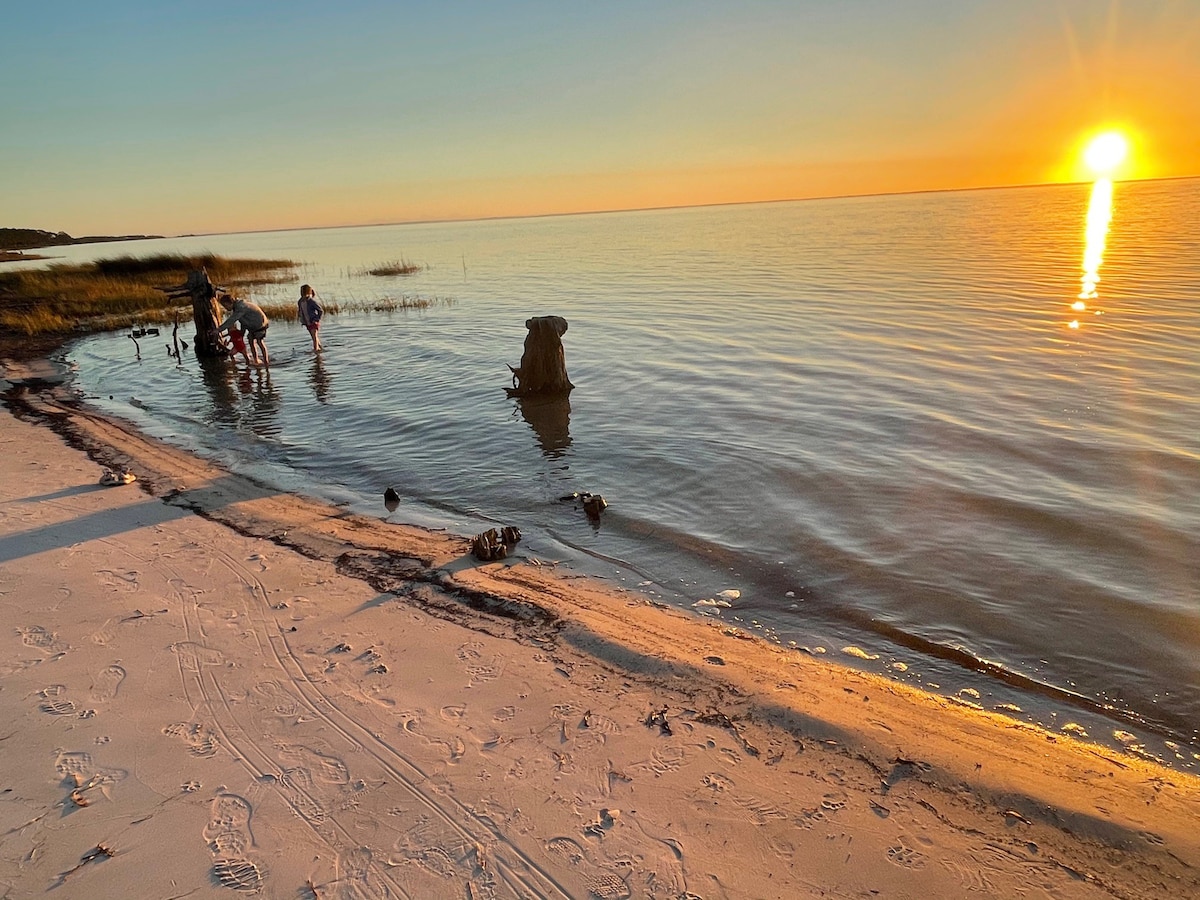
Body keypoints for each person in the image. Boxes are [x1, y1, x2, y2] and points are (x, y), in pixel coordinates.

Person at [217, 294, 270, 366]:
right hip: (252, 326)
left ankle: (266, 361)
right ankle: (256, 359)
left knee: (259, 341)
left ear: (231, 302)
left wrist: (218, 330)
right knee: (251, 342)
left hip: (260, 324)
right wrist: (242, 332)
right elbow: (243, 320)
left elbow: (232, 320)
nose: (225, 308)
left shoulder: (241, 307)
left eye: (225, 306)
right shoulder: (237, 308)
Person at [297, 284, 324, 352]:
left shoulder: (311, 301)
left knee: (314, 337)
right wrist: (301, 318)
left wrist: (316, 320)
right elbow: (300, 310)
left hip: (313, 321)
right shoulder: (300, 301)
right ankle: (320, 348)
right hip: (307, 322)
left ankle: (316, 352)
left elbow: (320, 310)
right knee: (314, 338)